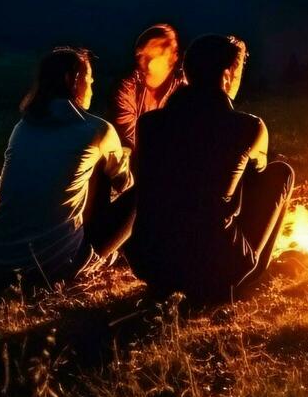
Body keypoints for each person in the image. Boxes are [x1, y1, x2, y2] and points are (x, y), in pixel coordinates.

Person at [124, 34, 294, 302]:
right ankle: (252, 269)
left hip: (150, 262)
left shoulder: (149, 124)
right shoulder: (249, 126)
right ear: (227, 75)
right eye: (238, 73)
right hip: (216, 269)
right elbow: (258, 173)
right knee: (280, 172)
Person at [0, 46, 135, 283]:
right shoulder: (96, 130)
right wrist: (125, 157)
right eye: (90, 79)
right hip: (57, 265)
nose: (92, 86)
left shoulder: (21, 128)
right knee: (141, 191)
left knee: (86, 167)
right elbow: (124, 184)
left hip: (0, 257)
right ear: (73, 79)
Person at [109, 23, 183, 150]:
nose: (148, 58)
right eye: (146, 51)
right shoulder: (128, 88)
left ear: (174, 56)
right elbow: (129, 133)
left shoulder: (183, 86)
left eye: (161, 48)